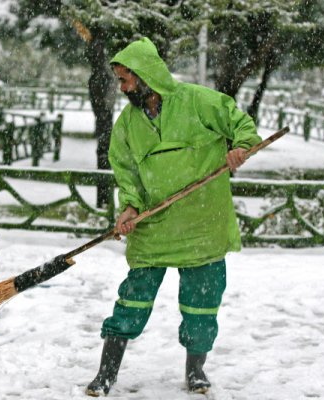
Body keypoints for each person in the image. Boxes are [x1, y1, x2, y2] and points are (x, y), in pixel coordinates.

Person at [85, 37, 262, 397]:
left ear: (145, 75)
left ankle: (196, 371)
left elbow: (239, 123)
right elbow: (125, 169)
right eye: (119, 80)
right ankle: (106, 373)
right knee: (131, 300)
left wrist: (241, 147)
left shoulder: (198, 102)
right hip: (155, 225)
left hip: (202, 224)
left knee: (201, 304)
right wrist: (131, 206)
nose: (121, 88)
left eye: (125, 79)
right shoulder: (128, 123)